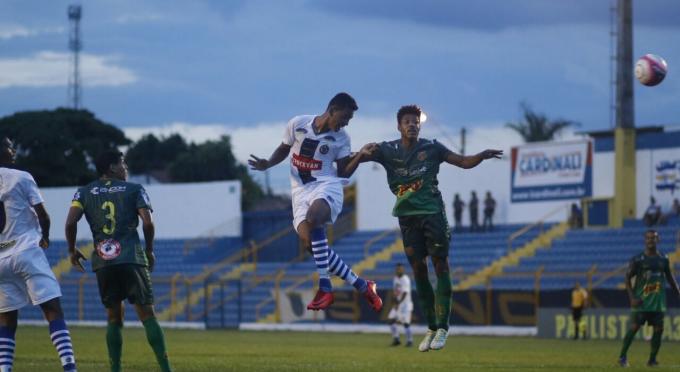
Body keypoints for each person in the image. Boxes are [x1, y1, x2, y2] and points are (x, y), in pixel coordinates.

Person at [347, 105, 501, 351]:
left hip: (432, 215)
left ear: (420, 125)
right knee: (419, 271)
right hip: (407, 220)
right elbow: (354, 158)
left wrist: (480, 155)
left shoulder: (432, 148)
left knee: (440, 265)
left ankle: (443, 328)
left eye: (416, 121)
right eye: (407, 121)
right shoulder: (387, 150)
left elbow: (462, 161)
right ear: (399, 126)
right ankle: (431, 327)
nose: (412, 125)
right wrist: (334, 155)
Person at [248, 92, 382, 312]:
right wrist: (268, 164)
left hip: (326, 185)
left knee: (314, 218)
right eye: (345, 117)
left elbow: (344, 170)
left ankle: (325, 286)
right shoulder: (298, 124)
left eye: (349, 120)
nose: (346, 123)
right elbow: (283, 149)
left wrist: (359, 156)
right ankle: (362, 284)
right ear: (332, 110)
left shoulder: (342, 139)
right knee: (312, 245)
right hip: (299, 193)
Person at [65, 151, 172, 372]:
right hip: (132, 257)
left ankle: (115, 370)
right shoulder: (135, 189)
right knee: (147, 315)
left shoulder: (83, 192)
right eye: (122, 163)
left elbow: (69, 223)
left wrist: (72, 250)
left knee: (114, 318)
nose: (126, 167)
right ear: (112, 167)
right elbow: (148, 224)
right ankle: (166, 369)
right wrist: (149, 250)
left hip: (104, 260)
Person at [0, 137, 78, 372]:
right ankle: (69, 367)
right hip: (25, 250)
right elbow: (43, 215)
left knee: (5, 318)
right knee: (52, 309)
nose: (14, 150)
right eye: (10, 146)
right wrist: (45, 236)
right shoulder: (21, 176)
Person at [618, 230, 680, 367]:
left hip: (658, 303)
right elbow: (627, 278)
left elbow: (669, 277)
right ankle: (622, 357)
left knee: (659, 330)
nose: (651, 240)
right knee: (634, 328)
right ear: (645, 240)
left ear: (658, 240)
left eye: (653, 238)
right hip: (641, 302)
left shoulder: (664, 258)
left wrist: (678, 291)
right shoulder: (638, 260)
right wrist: (631, 298)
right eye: (648, 238)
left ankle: (652, 360)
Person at [388, 263, 413, 347]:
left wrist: (398, 303)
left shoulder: (405, 279)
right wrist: (395, 301)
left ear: (403, 270)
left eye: (400, 269)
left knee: (406, 323)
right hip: (398, 303)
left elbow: (405, 293)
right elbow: (396, 292)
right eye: (397, 269)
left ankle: (410, 341)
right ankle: (396, 339)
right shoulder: (395, 279)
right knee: (391, 319)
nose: (398, 270)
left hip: (405, 304)